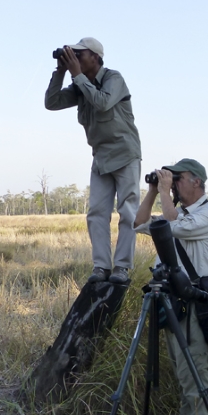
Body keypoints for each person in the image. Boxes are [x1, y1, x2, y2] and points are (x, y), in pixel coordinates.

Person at [134, 158, 208, 415]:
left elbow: (172, 227)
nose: (173, 183)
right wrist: (153, 190)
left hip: (192, 299)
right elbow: (138, 223)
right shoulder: (178, 212)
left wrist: (164, 192)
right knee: (182, 367)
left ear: (197, 181)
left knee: (196, 366)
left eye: (178, 178)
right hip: (172, 299)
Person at [44, 37, 141, 285]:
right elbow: (51, 103)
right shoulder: (80, 84)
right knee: (96, 213)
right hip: (101, 157)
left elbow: (102, 102)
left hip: (125, 154)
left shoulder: (113, 78)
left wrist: (77, 76)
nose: (75, 58)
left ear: (96, 57)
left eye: (80, 54)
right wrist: (61, 72)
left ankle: (121, 267)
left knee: (128, 213)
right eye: (72, 55)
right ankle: (101, 266)